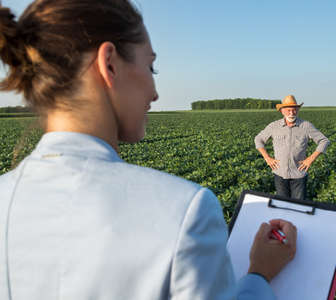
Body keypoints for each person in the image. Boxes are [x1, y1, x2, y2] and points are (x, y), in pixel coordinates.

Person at [0, 1, 297, 299]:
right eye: (150, 66)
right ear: (110, 64)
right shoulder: (186, 210)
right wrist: (258, 275)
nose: (154, 93)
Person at [255, 95, 330, 201]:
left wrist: (310, 159)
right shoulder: (274, 126)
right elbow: (258, 139)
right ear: (282, 111)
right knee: (282, 205)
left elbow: (324, 141)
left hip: (298, 174)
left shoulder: (306, 126)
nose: (291, 113)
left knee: (298, 206)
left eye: (294, 110)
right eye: (288, 110)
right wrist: (267, 158)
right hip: (279, 173)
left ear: (298, 110)